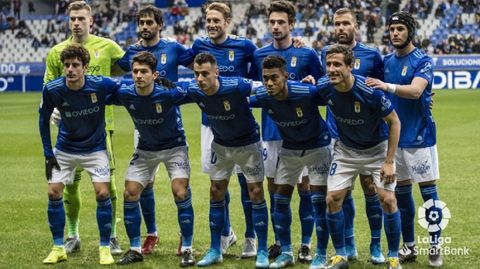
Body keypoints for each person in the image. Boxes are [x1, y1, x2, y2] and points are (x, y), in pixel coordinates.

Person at [43, 0, 125, 255]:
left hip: (102, 127)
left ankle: (111, 235)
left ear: (91, 21)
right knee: (69, 184)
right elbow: (49, 87)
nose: (76, 23)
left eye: (81, 18)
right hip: (69, 127)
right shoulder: (57, 51)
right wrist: (55, 110)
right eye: (72, 19)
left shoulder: (108, 46)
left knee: (108, 185)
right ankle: (72, 233)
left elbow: (127, 70)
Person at [115, 4, 194, 255]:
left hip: (170, 121)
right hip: (144, 126)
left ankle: (186, 237)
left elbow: (199, 62)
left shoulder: (172, 48)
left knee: (179, 187)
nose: (145, 27)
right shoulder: (133, 51)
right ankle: (151, 234)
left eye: (150, 22)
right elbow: (112, 68)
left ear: (160, 25)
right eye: (142, 23)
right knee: (144, 184)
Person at [366, 11, 442, 268]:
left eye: (400, 28)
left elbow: (416, 91)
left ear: (410, 31)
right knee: (402, 194)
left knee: (429, 195)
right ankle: (409, 245)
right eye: (392, 29)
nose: (395, 33)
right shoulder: (385, 61)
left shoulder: (423, 60)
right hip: (393, 140)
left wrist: (387, 87)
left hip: (420, 137)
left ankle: (435, 245)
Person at [250, 0, 323, 261]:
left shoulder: (307, 54)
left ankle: (305, 244)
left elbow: (322, 84)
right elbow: (253, 88)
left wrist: (313, 81)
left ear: (292, 24)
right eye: (272, 22)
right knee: (276, 192)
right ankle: (282, 243)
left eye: (282, 22)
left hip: (302, 135)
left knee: (305, 188)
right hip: (271, 134)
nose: (276, 26)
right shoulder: (259, 55)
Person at [318, 44, 402, 269]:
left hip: (377, 151)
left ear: (350, 66)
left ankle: (393, 257)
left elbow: (394, 121)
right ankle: (341, 256)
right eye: (328, 64)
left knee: (388, 199)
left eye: (337, 64)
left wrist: (389, 161)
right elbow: (305, 95)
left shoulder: (369, 91)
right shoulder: (324, 87)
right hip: (346, 151)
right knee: (332, 199)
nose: (332, 69)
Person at [182, 53, 269, 268]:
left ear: (216, 72)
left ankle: (262, 250)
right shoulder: (194, 90)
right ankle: (215, 249)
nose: (200, 79)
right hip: (220, 145)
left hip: (248, 145)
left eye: (204, 74)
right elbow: (173, 91)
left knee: (256, 192)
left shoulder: (237, 85)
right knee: (215, 191)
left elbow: (268, 86)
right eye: (196, 74)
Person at [190, 2, 258, 257]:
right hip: (211, 124)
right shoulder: (199, 46)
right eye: (208, 20)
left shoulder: (245, 47)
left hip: (241, 126)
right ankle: (226, 233)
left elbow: (263, 72)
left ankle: (251, 236)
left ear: (228, 21)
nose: (211, 25)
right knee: (217, 183)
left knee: (246, 183)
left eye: (216, 20)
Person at [320, 8, 385, 264]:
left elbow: (382, 92)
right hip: (336, 135)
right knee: (341, 193)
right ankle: (347, 246)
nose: (341, 28)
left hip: (367, 136)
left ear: (355, 25)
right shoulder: (326, 53)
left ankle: (376, 246)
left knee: (371, 189)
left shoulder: (372, 55)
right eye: (337, 24)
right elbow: (319, 85)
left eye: (346, 23)